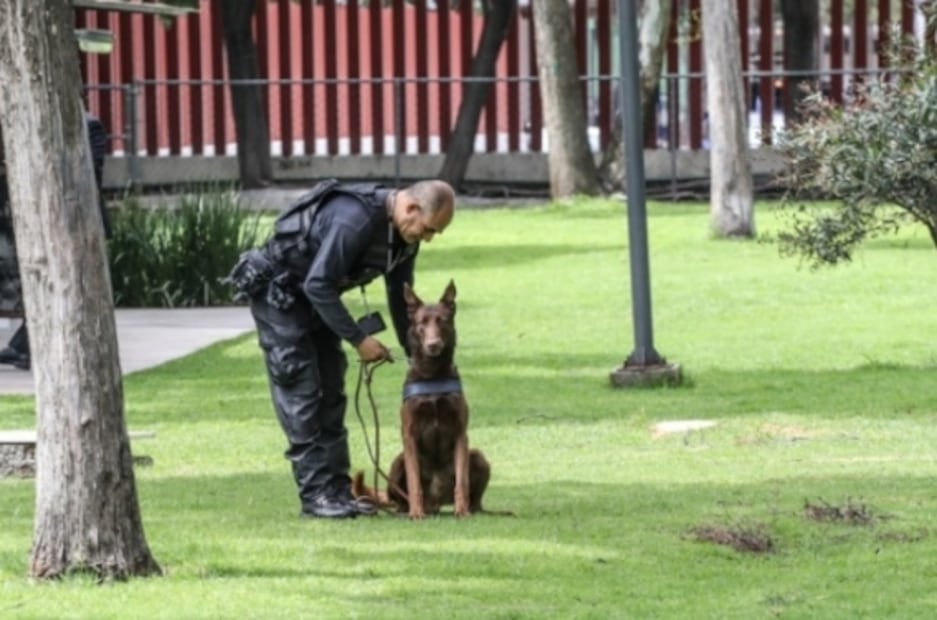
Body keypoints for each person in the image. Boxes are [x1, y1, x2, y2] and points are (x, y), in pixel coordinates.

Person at [229, 178, 455, 519]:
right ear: (410, 208)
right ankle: (316, 496)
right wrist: (359, 340)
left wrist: (416, 358)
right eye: (427, 229)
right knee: (302, 390)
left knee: (333, 388)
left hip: (318, 299)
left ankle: (338, 491)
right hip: (281, 296)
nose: (428, 238)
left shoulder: (403, 237)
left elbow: (400, 299)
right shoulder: (355, 220)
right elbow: (317, 283)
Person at [0, 112, 110, 371]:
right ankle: (24, 346)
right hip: (31, 222)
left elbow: (87, 173)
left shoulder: (89, 125)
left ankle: (28, 347)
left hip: (76, 222)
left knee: (66, 285)